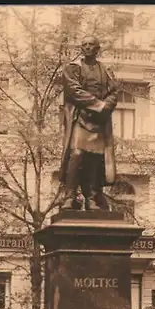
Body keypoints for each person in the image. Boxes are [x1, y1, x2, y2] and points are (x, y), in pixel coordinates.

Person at [59, 35, 119, 210]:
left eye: (91, 45)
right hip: (80, 118)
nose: (87, 47)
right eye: (84, 45)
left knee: (94, 158)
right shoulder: (73, 68)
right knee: (77, 154)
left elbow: (114, 92)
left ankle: (91, 197)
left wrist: (107, 105)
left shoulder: (105, 70)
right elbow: (73, 91)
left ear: (97, 48)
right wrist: (98, 104)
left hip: (99, 121)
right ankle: (69, 196)